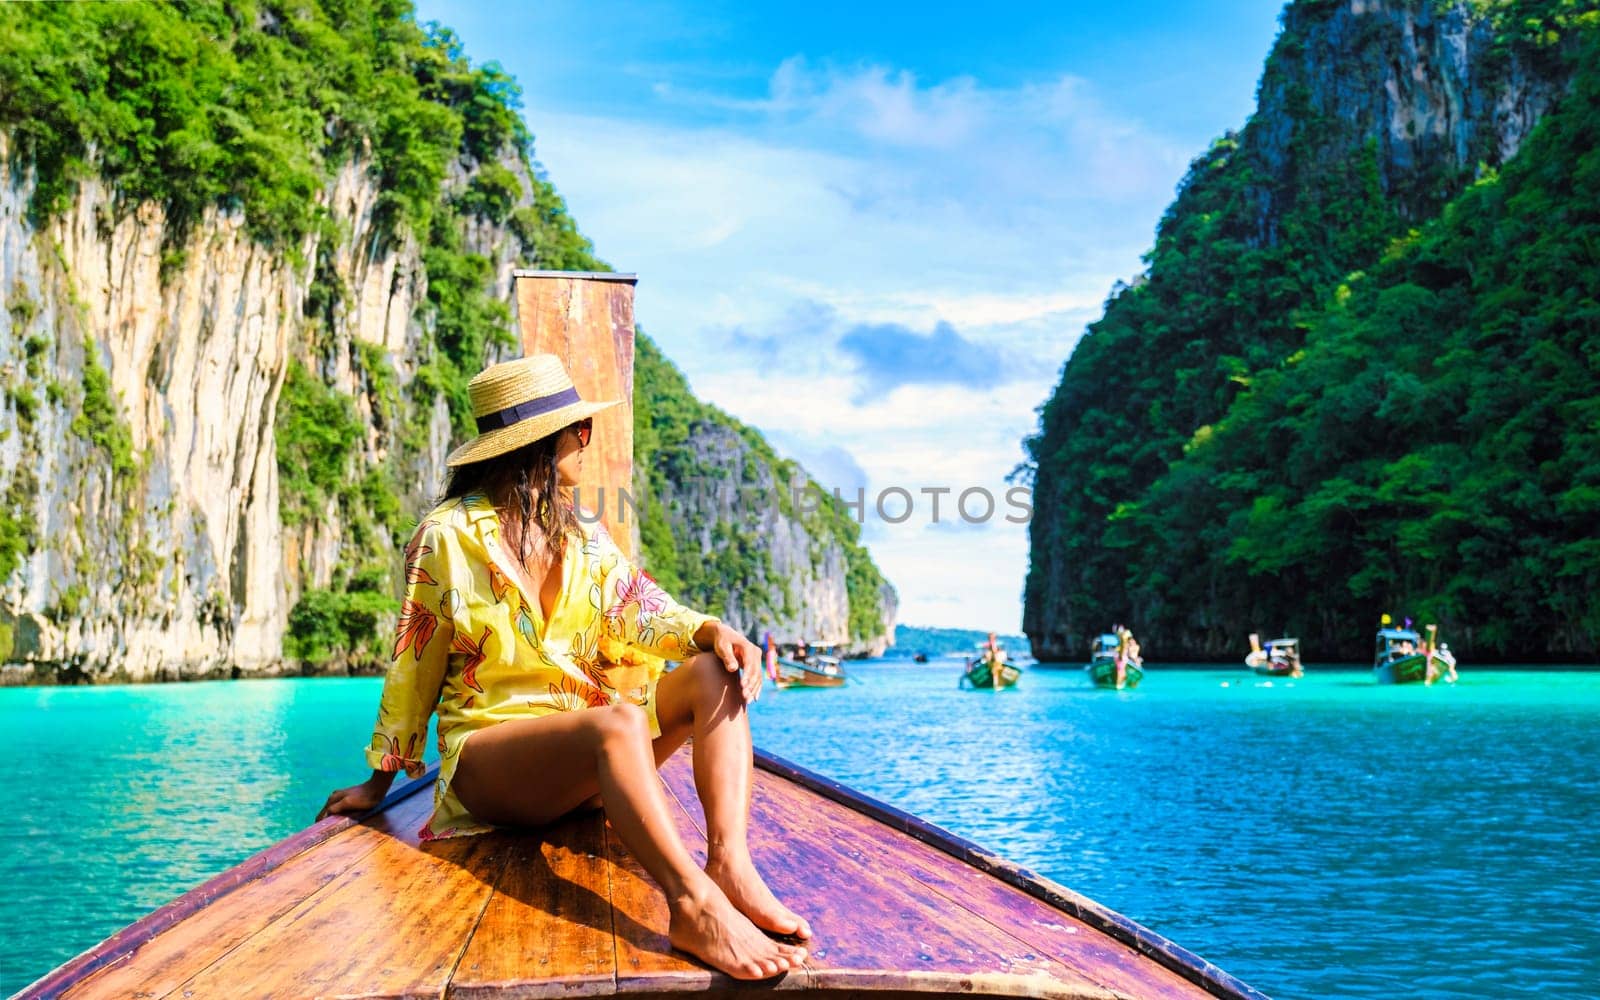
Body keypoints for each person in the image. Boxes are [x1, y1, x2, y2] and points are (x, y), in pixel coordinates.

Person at [317, 355, 809, 980]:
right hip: (491, 765)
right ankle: (692, 905)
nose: (586, 441)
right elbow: (414, 663)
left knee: (714, 671)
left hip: (583, 762)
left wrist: (712, 631)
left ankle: (729, 865)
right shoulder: (447, 537)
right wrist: (378, 786)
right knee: (617, 724)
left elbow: (642, 608)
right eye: (579, 431)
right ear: (540, 444)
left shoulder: (579, 534)